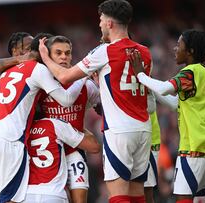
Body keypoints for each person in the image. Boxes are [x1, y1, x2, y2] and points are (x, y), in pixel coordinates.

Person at [39, 0, 152, 202]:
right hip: (143, 128)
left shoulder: (104, 51)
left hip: (119, 130)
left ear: (109, 23)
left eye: (101, 20)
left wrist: (45, 58)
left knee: (118, 195)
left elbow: (65, 77)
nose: (99, 24)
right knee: (137, 195)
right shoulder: (144, 51)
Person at [0, 33, 87, 203]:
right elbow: (66, 100)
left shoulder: (6, 72)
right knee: (11, 199)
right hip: (11, 141)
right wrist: (84, 76)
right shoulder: (38, 69)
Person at [128, 29, 205, 203]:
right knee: (191, 198)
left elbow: (164, 88)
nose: (175, 49)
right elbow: (176, 103)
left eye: (179, 45)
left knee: (183, 199)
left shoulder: (190, 72)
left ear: (190, 50)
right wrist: (150, 86)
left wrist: (140, 75)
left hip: (193, 147)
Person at [39, 35, 100, 203]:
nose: (64, 57)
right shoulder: (40, 85)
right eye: (58, 53)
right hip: (49, 154)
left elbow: (100, 104)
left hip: (75, 151)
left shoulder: (87, 86)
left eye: (67, 53)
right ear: (48, 56)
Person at [23, 118, 100, 203]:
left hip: (25, 195)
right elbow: (94, 147)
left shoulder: (18, 130)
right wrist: (79, 126)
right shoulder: (54, 124)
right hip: (53, 194)